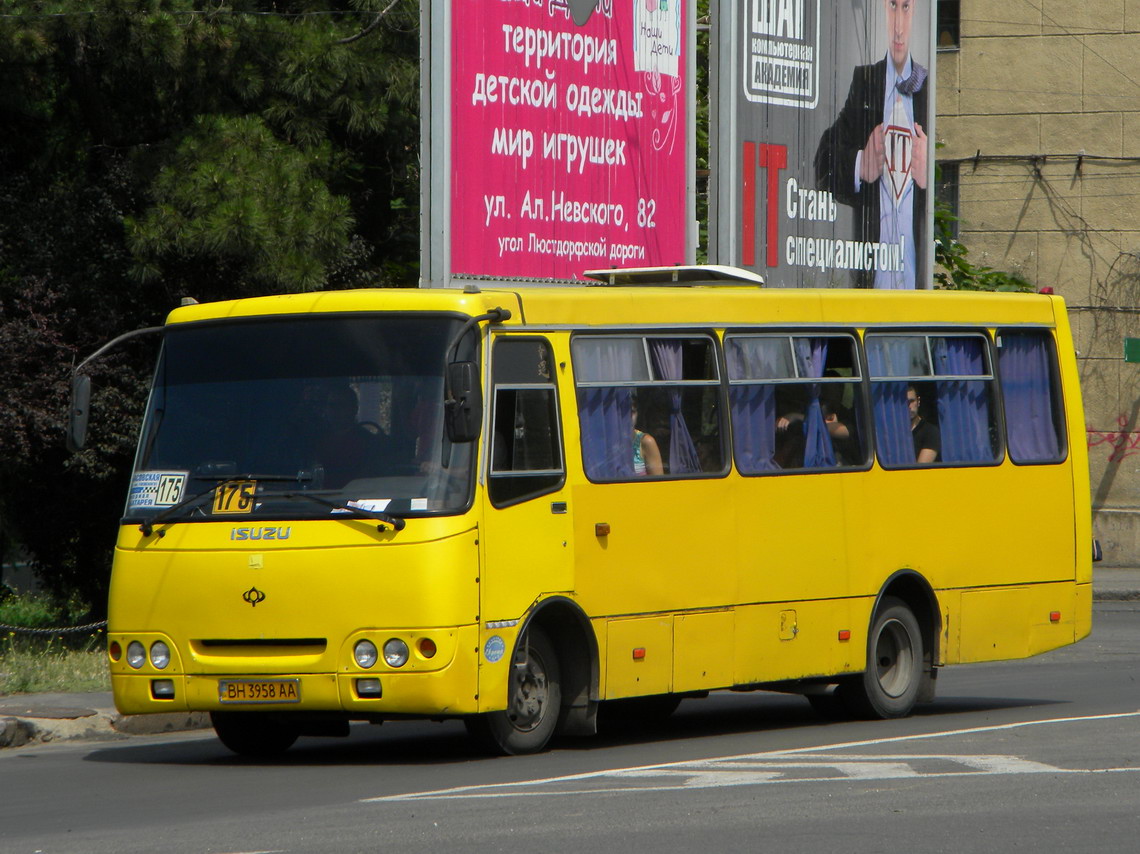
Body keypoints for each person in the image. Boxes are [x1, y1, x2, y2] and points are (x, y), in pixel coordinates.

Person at [814, 0, 929, 289]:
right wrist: (859, 164)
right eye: (892, 6)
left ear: (916, 10)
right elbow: (821, 161)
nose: (899, 29)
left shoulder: (927, 88)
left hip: (917, 294)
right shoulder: (866, 82)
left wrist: (927, 179)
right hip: (869, 291)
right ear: (881, 9)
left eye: (905, 7)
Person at [316, 385, 382, 488]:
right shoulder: (317, 440)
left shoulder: (368, 442)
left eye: (341, 405)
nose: (336, 411)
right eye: (332, 405)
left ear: (354, 409)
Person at [631, 399, 663, 476]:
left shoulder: (646, 441)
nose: (629, 417)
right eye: (623, 413)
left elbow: (658, 484)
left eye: (632, 412)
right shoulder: (607, 442)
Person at [908, 385, 940, 463]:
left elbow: (921, 469)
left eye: (912, 401)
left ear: (918, 401)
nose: (909, 406)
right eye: (904, 402)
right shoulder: (894, 433)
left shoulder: (930, 431)